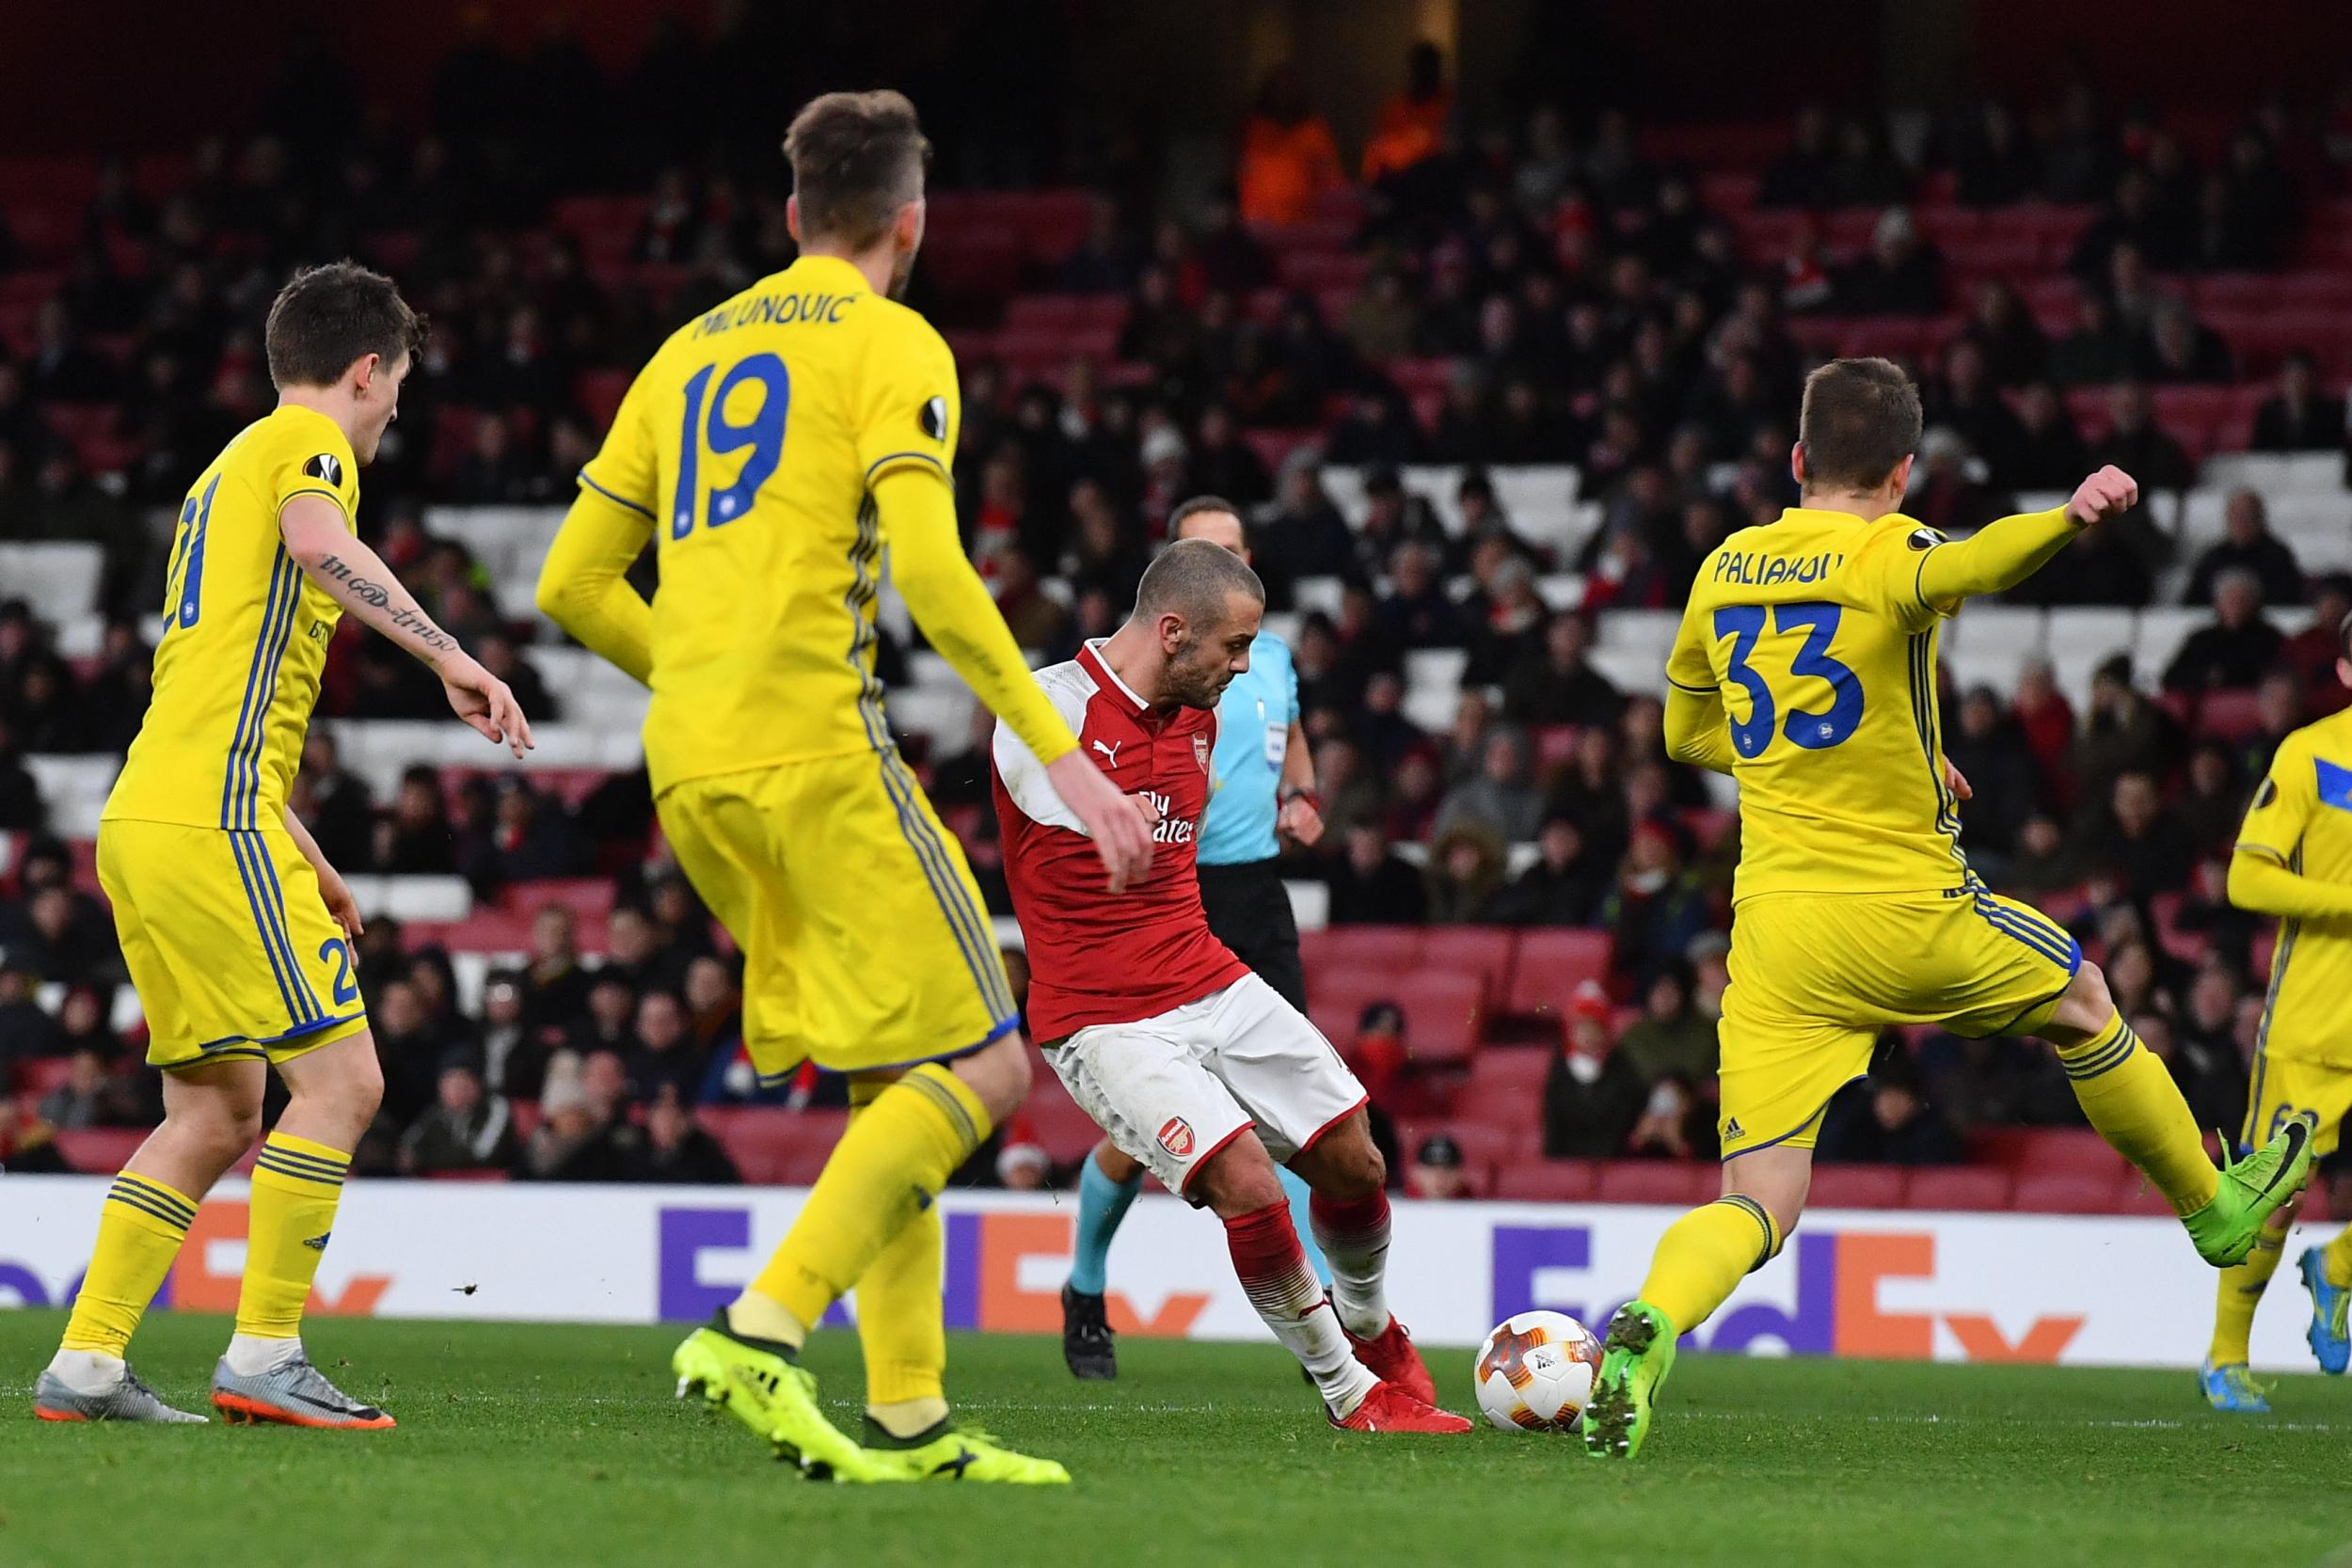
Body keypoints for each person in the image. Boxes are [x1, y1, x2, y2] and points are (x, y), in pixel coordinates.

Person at [535, 90, 1152, 1487]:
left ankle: (912, 1415)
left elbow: (569, 579)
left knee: (899, 1071)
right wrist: (1065, 756)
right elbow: (932, 575)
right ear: (910, 220)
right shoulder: (893, 341)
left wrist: (694, 673)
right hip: (816, 747)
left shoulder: (687, 349)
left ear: (792, 214)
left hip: (690, 764)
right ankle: (764, 1325)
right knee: (993, 1055)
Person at [1585, 356, 2313, 1464]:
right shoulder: (1892, 547)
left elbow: (1690, 734)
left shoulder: (1723, 565)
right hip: (1903, 908)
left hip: (1777, 938)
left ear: (1793, 461)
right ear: (1904, 470)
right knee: (2080, 994)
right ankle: (2213, 1208)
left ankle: (1651, 1327)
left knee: (1760, 1199)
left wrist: (1869, 755)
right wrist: (2069, 516)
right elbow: (1974, 561)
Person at [33, 263, 533, 1430]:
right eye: (396, 384)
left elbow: (213, 702)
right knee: (345, 1079)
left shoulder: (220, 474)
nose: (395, 407)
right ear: (366, 369)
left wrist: (307, 854)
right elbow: (321, 545)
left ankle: (90, 1364)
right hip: (211, 818)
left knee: (213, 1109)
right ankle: (264, 1351)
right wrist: (451, 652)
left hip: (156, 813)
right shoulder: (313, 450)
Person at [992, 540, 1470, 1435]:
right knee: (1249, 1181)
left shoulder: (1201, 715)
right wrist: (1102, 812)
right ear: (1173, 632)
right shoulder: (1046, 706)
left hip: (1203, 972)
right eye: (1235, 646)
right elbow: (1056, 799)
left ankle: (1369, 1324)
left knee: (1354, 1155)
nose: (1245, 666)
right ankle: (1349, 1394)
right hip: (1102, 1018)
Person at [1059, 499, 1334, 1383]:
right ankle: (1085, 1285)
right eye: (1205, 553)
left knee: (1289, 1107)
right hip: (1176, 894)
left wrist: (1302, 792)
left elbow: (1288, 740)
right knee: (1153, 1134)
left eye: (1237, 553)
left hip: (1255, 890)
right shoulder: (1140, 675)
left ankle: (1320, 1311)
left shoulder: (1269, 660)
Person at [2201, 622, 2352, 1411]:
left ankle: (2340, 1267)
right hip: (2319, 1016)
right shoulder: (2313, 754)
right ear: (2344, 666)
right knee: (2278, 1187)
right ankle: (2226, 1356)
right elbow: (2246, 880)